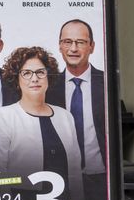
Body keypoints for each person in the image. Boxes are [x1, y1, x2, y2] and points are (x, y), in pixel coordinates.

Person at [0, 46, 83, 200]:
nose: (34, 79)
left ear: (48, 76)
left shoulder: (65, 116)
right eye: (26, 73)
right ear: (17, 79)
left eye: (40, 72)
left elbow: (74, 170)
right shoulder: (4, 116)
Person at [45, 19, 107, 174]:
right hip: (62, 178)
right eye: (67, 42)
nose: (73, 48)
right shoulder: (48, 87)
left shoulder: (107, 83)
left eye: (80, 42)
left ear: (92, 47)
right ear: (60, 46)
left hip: (101, 176)